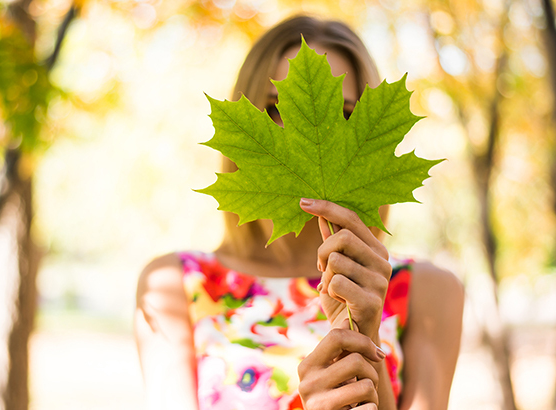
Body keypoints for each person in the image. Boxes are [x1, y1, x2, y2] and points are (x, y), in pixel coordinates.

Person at [135, 15, 464, 410]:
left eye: (344, 113)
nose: (307, 139)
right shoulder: (174, 286)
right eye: (276, 109)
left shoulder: (428, 292)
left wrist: (365, 338)